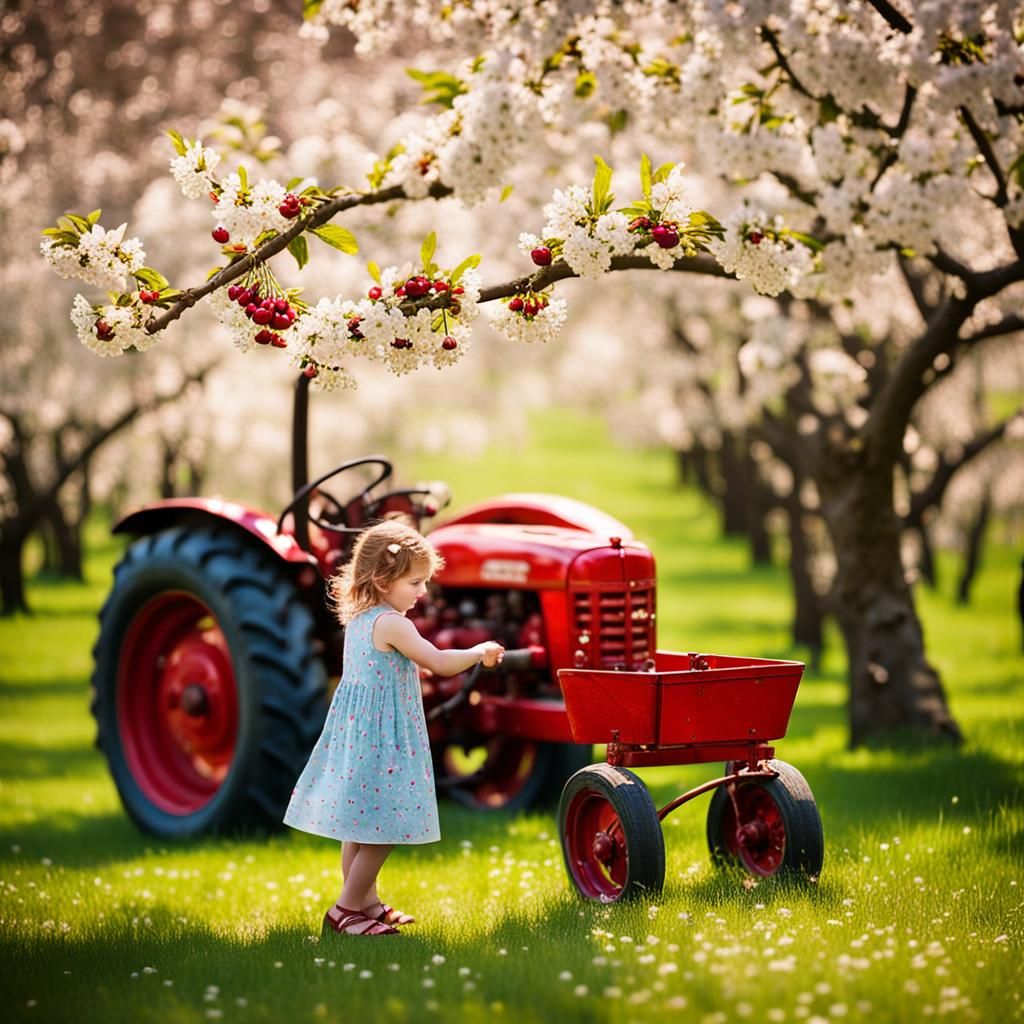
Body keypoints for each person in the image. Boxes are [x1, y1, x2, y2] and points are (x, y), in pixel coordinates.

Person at [283, 519, 505, 937]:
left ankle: (366, 903)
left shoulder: (362, 619)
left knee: (358, 823)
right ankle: (345, 910)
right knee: (384, 826)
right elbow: (438, 663)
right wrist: (478, 652)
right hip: (383, 740)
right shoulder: (393, 624)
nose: (423, 592)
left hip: (359, 735)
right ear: (383, 580)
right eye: (415, 582)